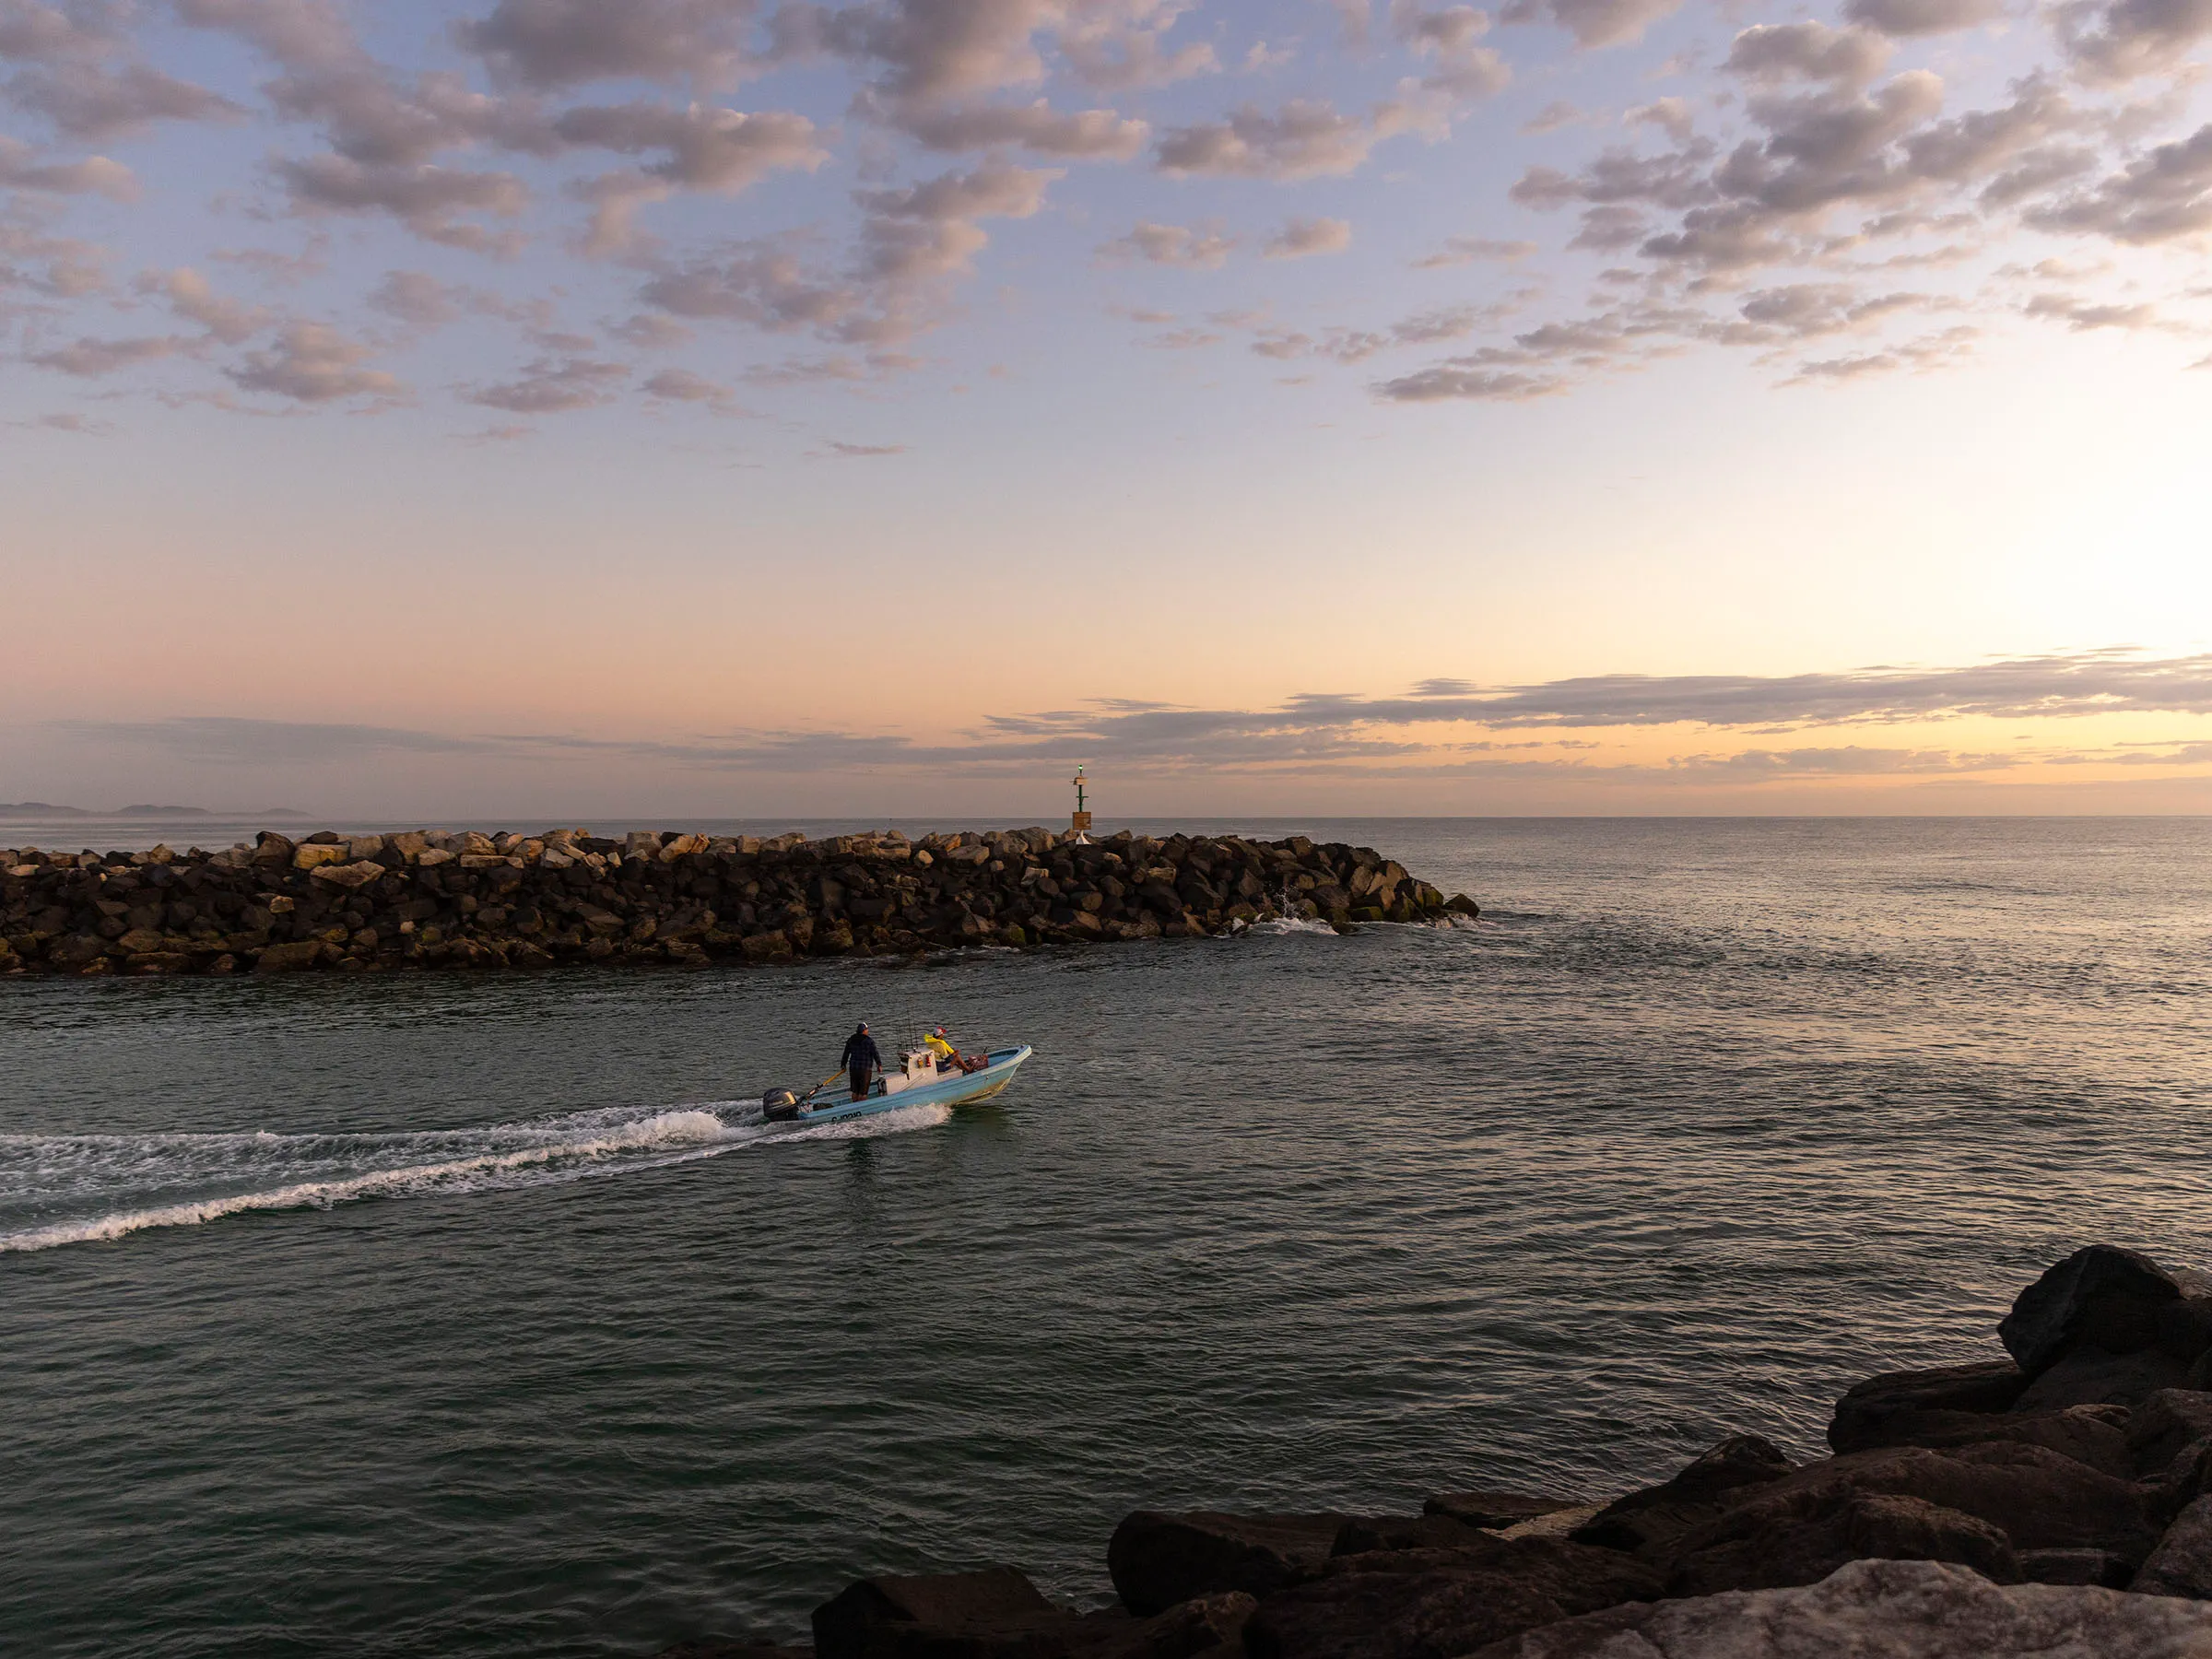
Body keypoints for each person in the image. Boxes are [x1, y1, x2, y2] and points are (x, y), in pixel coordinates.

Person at [841, 1022, 883, 1100]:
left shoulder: (851, 1039)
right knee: (863, 1093)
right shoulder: (869, 1041)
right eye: (867, 1029)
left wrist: (843, 1065)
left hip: (853, 1069)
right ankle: (862, 1111)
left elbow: (846, 1053)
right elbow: (875, 1053)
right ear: (864, 1030)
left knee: (855, 1091)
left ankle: (854, 1107)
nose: (868, 1031)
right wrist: (879, 1065)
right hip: (865, 1069)